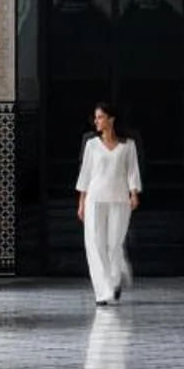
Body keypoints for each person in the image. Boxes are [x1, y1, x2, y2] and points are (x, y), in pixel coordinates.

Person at [75, 100, 141, 305]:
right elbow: (85, 174)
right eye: (95, 118)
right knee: (95, 244)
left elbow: (132, 170)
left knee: (114, 244)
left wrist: (133, 193)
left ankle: (114, 280)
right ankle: (103, 292)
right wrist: (81, 202)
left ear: (111, 119)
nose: (96, 121)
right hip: (94, 199)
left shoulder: (128, 145)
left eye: (100, 117)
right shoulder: (91, 145)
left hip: (120, 200)